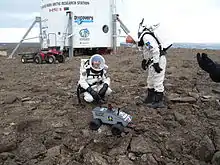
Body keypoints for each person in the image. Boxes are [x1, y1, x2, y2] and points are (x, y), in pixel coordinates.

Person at [137, 21, 172, 109]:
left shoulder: (146, 37)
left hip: (158, 60)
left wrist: (156, 63)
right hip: (153, 60)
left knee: (157, 80)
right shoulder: (146, 37)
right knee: (151, 80)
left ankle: (158, 101)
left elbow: (155, 50)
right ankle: (150, 98)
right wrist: (145, 60)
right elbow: (147, 50)